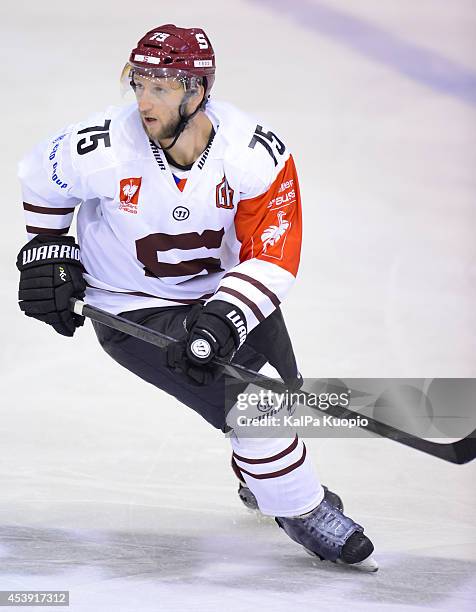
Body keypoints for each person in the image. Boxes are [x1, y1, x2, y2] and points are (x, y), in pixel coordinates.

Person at [16, 24, 377, 571]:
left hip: (221, 290)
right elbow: (41, 181)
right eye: (139, 83)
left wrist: (226, 316)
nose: (144, 100)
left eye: (162, 86)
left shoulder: (256, 155)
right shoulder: (101, 147)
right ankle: (302, 510)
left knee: (279, 392)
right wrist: (47, 250)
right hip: (131, 304)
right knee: (265, 410)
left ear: (198, 91)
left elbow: (272, 253)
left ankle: (261, 477)